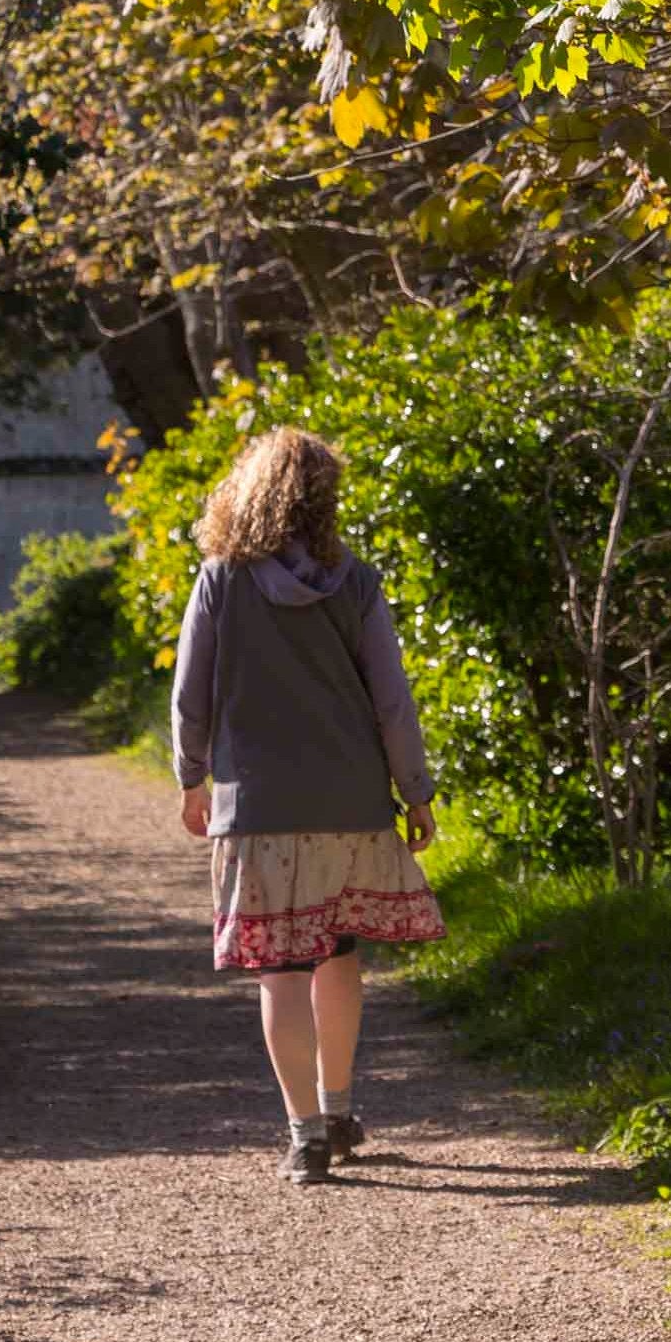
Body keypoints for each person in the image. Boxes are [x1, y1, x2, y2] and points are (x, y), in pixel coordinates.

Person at [170, 427, 445, 1186]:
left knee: (281, 971)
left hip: (257, 806)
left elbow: (190, 692)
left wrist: (191, 777)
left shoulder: (221, 578)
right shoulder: (353, 580)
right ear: (323, 499)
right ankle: (339, 1105)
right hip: (351, 801)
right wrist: (415, 792)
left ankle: (304, 1137)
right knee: (339, 953)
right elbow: (391, 700)